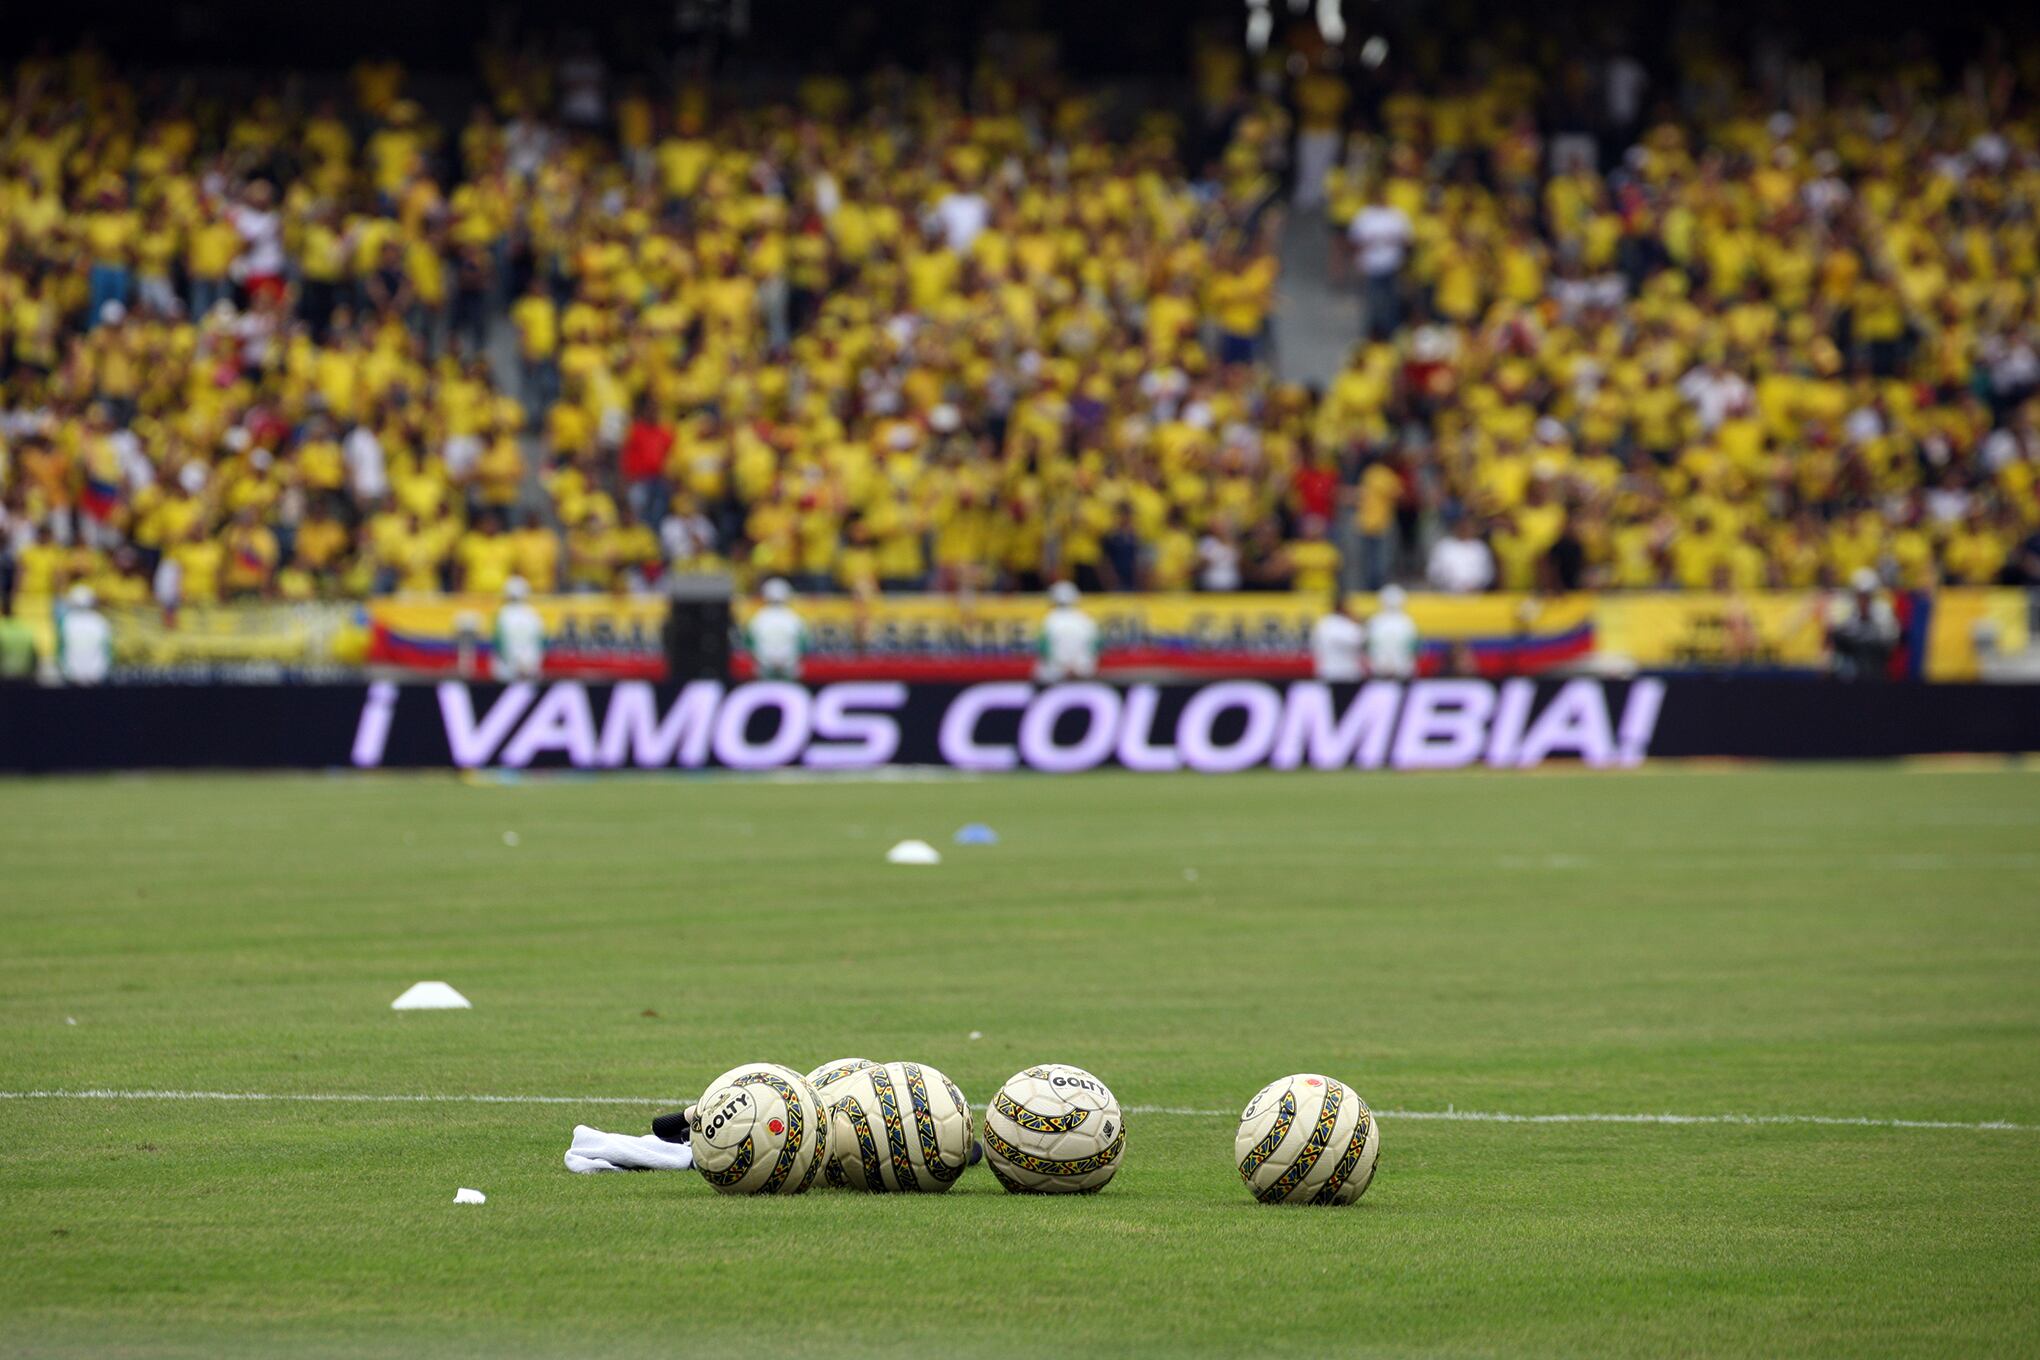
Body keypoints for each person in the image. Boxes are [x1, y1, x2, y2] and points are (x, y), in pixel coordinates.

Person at [1826, 569, 1900, 682]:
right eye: (1859, 595)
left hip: (1876, 662)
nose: (1863, 599)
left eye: (1867, 595)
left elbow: (1891, 640)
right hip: (1851, 663)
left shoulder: (1884, 611)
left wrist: (1867, 636)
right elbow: (1837, 635)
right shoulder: (1845, 609)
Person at [1036, 581, 1100, 682]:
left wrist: (1064, 667)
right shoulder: (1086, 620)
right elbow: (1096, 646)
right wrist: (1077, 666)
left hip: (1055, 674)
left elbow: (1044, 649)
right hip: (1082, 672)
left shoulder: (1049, 620)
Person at [747, 577, 808, 680]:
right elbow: (804, 644)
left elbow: (749, 643)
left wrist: (765, 660)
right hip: (780, 667)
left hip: (772, 666)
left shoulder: (758, 617)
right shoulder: (794, 618)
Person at [56, 585, 113, 686]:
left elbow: (60, 651)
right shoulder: (101, 621)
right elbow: (109, 651)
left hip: (72, 677)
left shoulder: (66, 621)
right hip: (96, 676)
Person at [493, 577, 547, 681]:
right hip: (529, 666)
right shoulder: (533, 614)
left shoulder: (502, 614)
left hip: (508, 669)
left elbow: (499, 643)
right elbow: (542, 642)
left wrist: (514, 664)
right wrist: (531, 663)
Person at [1427, 516, 1496, 594]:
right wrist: (1454, 585)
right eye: (1462, 526)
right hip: (1447, 596)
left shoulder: (1481, 548)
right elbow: (1434, 572)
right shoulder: (1443, 547)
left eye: (1468, 526)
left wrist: (1474, 586)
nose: (1465, 529)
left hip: (1476, 597)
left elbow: (1488, 574)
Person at [1366, 585, 1419, 679]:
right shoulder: (1406, 622)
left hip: (1400, 670)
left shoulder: (1406, 622)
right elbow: (1369, 645)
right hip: (1382, 669)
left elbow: (1413, 647)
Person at [1309, 594, 1365, 682]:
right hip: (1347, 673)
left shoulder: (1323, 623)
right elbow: (1359, 640)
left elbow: (1314, 645)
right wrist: (1357, 623)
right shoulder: (1347, 624)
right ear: (1342, 607)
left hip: (1326, 671)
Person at [0, 596, 37, 684]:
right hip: (24, 678)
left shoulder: (1, 627)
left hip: (5, 679)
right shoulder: (26, 628)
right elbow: (34, 655)